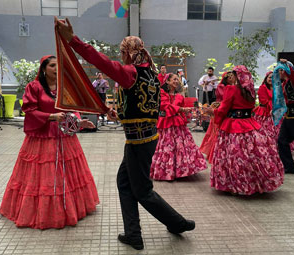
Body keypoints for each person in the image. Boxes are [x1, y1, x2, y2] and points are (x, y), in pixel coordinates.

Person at [55, 17, 195, 250]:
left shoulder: (131, 73)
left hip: (139, 142)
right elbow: (142, 106)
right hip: (142, 138)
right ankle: (133, 233)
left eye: (122, 52)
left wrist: (72, 40)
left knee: (142, 191)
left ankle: (176, 222)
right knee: (124, 182)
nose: (120, 56)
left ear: (129, 53)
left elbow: (99, 61)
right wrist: (118, 114)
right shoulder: (150, 74)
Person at [0, 55, 99, 229]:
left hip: (65, 139)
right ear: (44, 69)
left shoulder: (65, 87)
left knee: (64, 174)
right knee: (44, 175)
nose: (56, 68)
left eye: (58, 65)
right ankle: (42, 213)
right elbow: (29, 111)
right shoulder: (34, 87)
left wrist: (79, 122)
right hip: (42, 137)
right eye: (52, 65)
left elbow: (71, 111)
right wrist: (51, 116)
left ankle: (68, 209)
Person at [206, 65, 284, 195]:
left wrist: (212, 112)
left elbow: (224, 109)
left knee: (234, 156)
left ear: (237, 76)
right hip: (250, 123)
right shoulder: (250, 91)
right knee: (252, 155)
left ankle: (234, 185)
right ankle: (254, 183)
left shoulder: (231, 89)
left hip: (233, 125)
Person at [150, 73, 207, 181]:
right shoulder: (161, 93)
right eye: (174, 79)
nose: (176, 81)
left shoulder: (180, 96)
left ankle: (181, 171)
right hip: (166, 123)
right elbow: (164, 106)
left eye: (177, 79)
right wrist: (181, 109)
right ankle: (166, 172)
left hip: (177, 124)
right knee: (167, 147)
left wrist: (187, 112)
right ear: (167, 81)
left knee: (181, 147)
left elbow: (183, 108)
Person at [200, 71, 236, 162]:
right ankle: (214, 152)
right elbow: (225, 98)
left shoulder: (233, 87)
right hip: (219, 109)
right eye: (230, 76)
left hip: (226, 109)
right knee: (215, 131)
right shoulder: (221, 86)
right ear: (226, 78)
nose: (232, 78)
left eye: (233, 76)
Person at [253, 72, 280, 139]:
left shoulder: (277, 88)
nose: (271, 79)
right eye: (270, 77)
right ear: (266, 78)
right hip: (265, 113)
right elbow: (264, 101)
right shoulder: (262, 88)